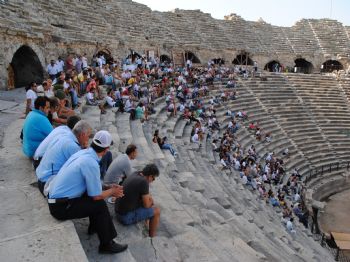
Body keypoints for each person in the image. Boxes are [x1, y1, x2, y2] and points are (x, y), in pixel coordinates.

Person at [47, 131, 128, 254]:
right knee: (99, 205)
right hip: (60, 207)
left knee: (93, 196)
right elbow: (96, 196)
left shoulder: (83, 153)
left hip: (55, 200)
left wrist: (107, 187)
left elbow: (91, 184)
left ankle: (95, 227)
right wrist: (113, 191)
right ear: (106, 150)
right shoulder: (91, 163)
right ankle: (107, 244)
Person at [36, 120, 92, 195]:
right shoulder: (72, 146)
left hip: (41, 178)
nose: (88, 139)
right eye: (88, 136)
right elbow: (84, 168)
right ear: (82, 135)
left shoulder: (66, 136)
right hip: (47, 184)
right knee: (84, 183)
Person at [115, 164, 161, 237]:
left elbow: (146, 195)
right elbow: (146, 205)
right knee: (157, 211)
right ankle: (153, 236)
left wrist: (149, 200)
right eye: (153, 178)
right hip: (125, 217)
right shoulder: (144, 182)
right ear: (150, 176)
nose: (153, 181)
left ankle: (147, 223)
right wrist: (151, 202)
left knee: (149, 200)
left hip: (118, 210)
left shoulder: (136, 173)